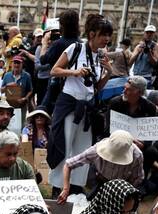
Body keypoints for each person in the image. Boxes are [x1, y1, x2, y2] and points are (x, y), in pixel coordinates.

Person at [48, 14, 113, 199]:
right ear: (92, 34)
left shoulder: (101, 56)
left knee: (82, 149)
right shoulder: (76, 48)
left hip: (87, 108)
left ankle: (75, 187)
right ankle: (58, 186)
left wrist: (108, 73)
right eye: (103, 34)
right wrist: (75, 72)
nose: (107, 39)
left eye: (109, 35)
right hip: (69, 104)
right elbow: (54, 70)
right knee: (64, 144)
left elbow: (96, 87)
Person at [57, 130, 144, 202]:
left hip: (122, 186)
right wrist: (66, 189)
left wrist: (126, 193)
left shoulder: (137, 155)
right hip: (101, 180)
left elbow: (138, 177)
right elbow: (68, 165)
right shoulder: (96, 150)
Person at [108, 76, 158, 180]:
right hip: (116, 139)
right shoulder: (115, 103)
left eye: (129, 90)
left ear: (139, 92)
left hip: (138, 142)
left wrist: (143, 144)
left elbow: (150, 135)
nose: (124, 91)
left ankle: (140, 180)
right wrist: (126, 139)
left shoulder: (150, 108)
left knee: (151, 151)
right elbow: (107, 128)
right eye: (125, 88)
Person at [40, 9, 81, 114]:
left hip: (57, 84)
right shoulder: (80, 43)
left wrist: (44, 43)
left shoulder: (59, 43)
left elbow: (43, 60)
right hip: (74, 86)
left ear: (62, 25)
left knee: (43, 111)